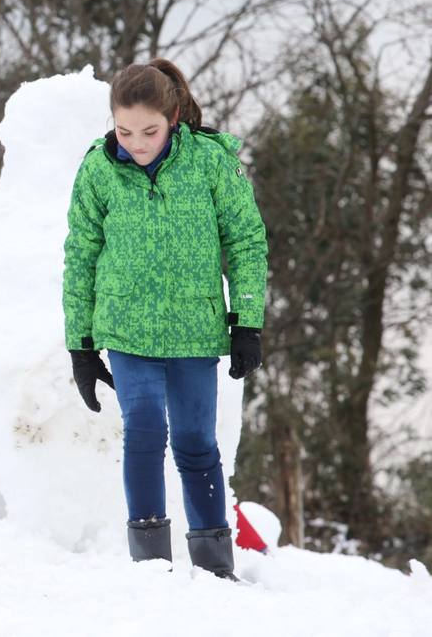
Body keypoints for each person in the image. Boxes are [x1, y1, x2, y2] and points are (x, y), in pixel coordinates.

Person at [61, 59, 267, 580]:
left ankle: (216, 567)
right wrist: (81, 346)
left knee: (197, 442)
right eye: (124, 130)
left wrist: (247, 321)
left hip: (194, 331)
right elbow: (80, 256)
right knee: (145, 433)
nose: (137, 142)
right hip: (127, 330)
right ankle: (151, 571)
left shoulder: (210, 163)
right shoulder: (98, 170)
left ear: (173, 117)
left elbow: (246, 240)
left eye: (150, 130)